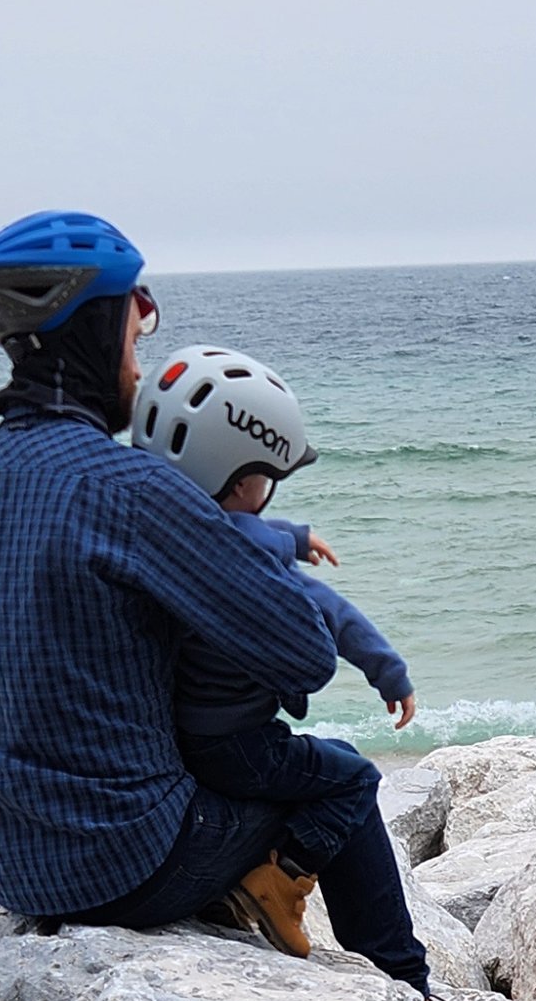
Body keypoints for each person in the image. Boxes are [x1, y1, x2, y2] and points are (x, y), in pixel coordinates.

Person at [0, 212, 521, 1001]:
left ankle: (259, 896)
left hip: (10, 862)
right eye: (138, 315)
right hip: (130, 859)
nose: (140, 343)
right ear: (98, 326)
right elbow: (303, 659)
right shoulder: (125, 488)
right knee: (342, 777)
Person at [131, 345, 418, 949]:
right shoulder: (247, 563)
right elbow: (329, 613)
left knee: (324, 766)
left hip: (175, 746)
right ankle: (282, 878)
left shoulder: (151, 532)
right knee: (351, 777)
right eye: (266, 478)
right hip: (238, 746)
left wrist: (290, 536)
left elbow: (242, 526)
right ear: (241, 481)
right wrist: (389, 672)